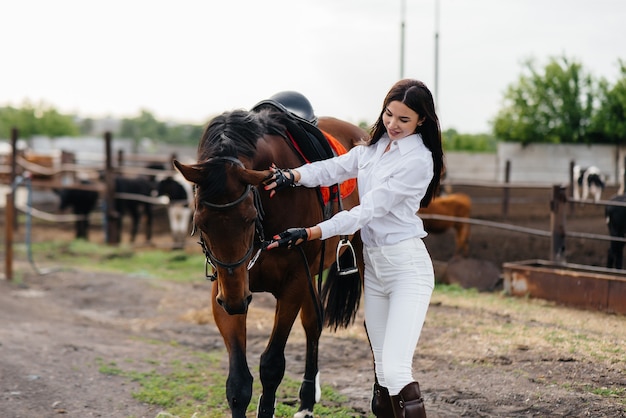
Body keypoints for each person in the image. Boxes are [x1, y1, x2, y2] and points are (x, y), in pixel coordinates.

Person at [263, 79, 444, 418]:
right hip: (375, 268)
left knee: (394, 371)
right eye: (389, 115)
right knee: (381, 368)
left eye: (404, 120)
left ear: (422, 121)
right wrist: (292, 177)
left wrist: (312, 231)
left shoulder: (418, 161)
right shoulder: (373, 149)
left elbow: (366, 212)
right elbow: (331, 169)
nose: (393, 124)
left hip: (407, 268)